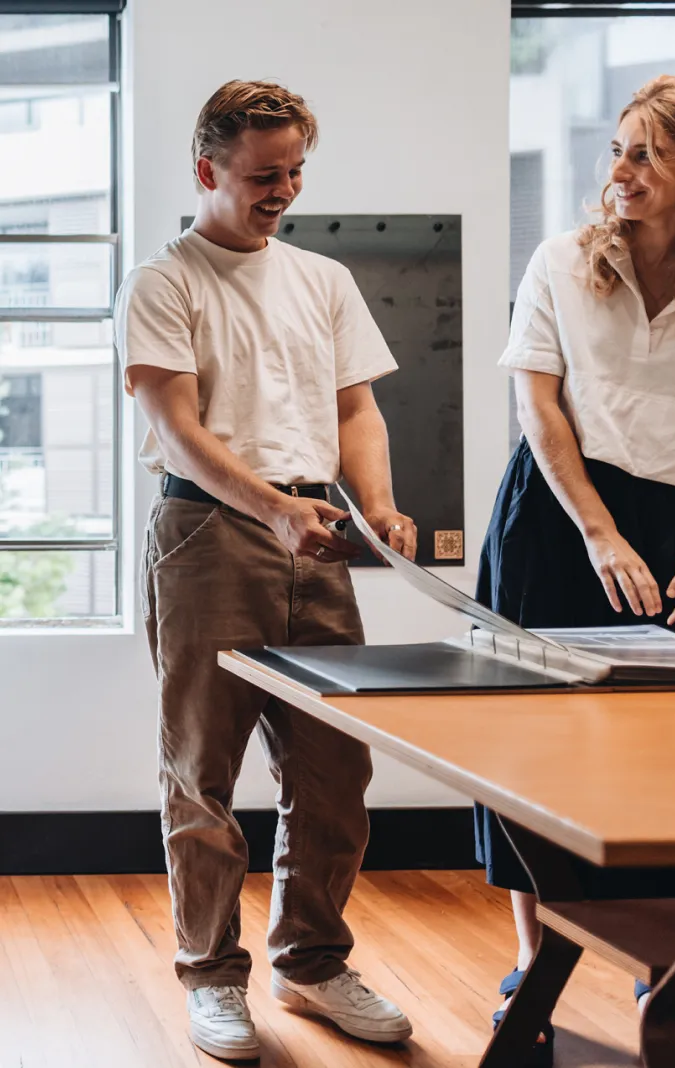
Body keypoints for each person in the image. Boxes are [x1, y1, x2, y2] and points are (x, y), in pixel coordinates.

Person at [114, 80, 417, 1062]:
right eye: (261, 176)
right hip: (208, 536)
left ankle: (313, 963)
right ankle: (210, 977)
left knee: (336, 769)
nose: (282, 190)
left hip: (315, 534)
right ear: (207, 171)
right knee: (202, 772)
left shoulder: (323, 278)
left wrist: (376, 505)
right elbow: (179, 430)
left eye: (293, 172)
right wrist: (277, 509)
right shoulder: (165, 281)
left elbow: (356, 411)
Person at [476, 73, 675, 1066]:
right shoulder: (560, 261)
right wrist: (598, 532)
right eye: (618, 149)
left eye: (645, 153)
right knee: (532, 744)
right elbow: (539, 412)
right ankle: (532, 965)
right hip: (556, 515)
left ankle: (667, 960)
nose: (618, 171)